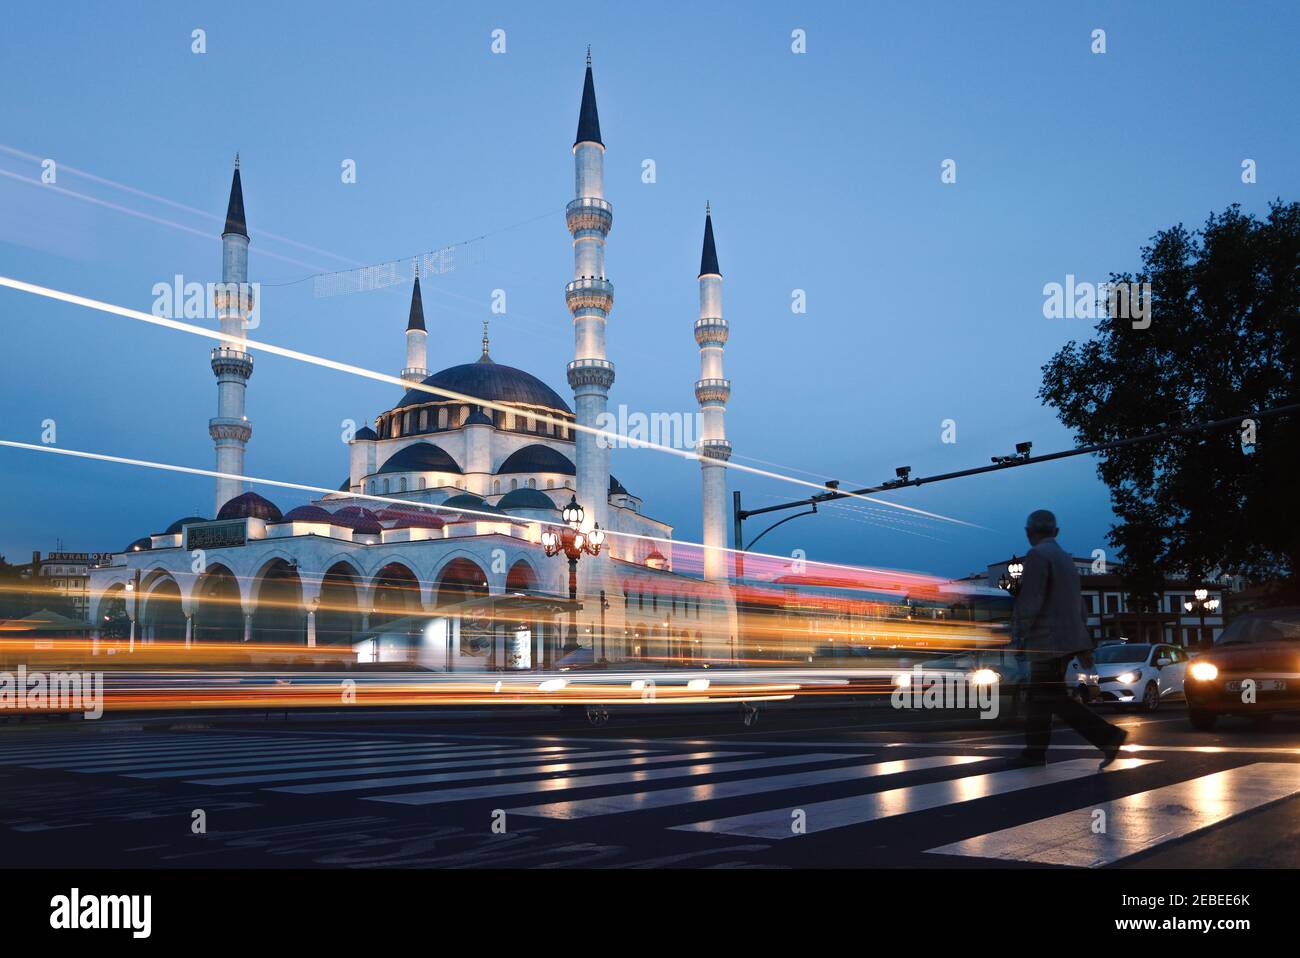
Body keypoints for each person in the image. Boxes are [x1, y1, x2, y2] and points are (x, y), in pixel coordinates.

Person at [1013, 510, 1126, 769]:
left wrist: (1020, 635)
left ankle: (1107, 735)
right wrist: (1082, 639)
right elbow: (1079, 605)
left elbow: (1031, 599)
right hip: (1068, 639)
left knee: (1050, 697)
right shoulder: (1065, 559)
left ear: (1029, 533)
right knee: (1042, 697)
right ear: (1056, 532)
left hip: (1046, 640)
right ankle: (1034, 752)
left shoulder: (1037, 555)